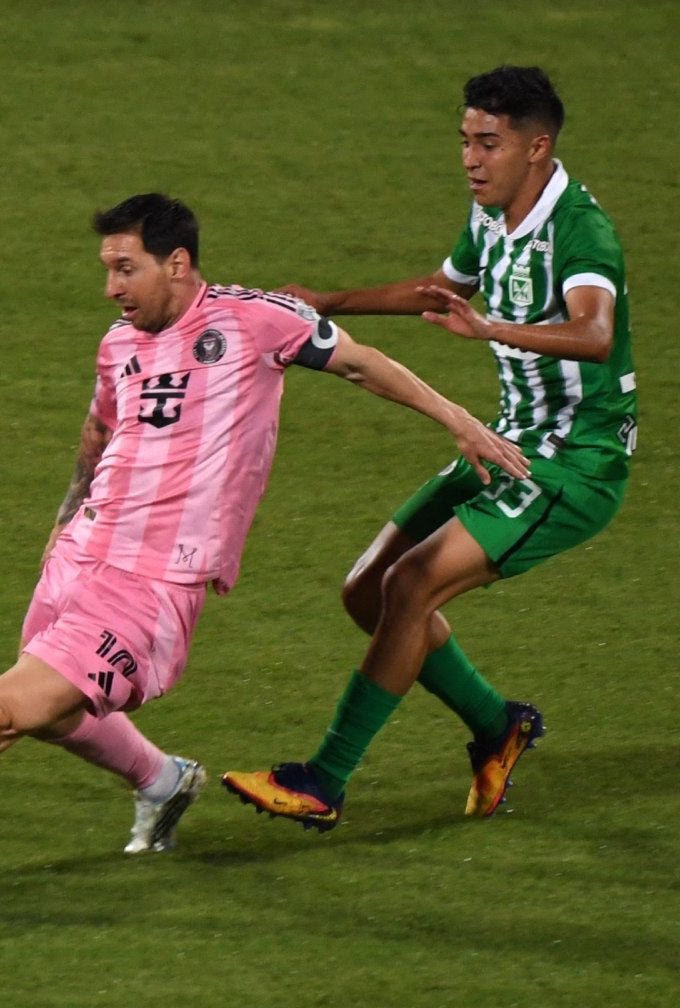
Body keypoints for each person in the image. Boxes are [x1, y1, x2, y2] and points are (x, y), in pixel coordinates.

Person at [0, 195, 529, 872]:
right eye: (107, 269)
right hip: (81, 556)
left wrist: (458, 420)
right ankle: (161, 780)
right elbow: (100, 433)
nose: (111, 287)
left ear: (177, 263)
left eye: (126, 268)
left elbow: (361, 363)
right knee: (52, 713)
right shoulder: (118, 344)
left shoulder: (254, 321)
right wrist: (61, 527)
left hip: (152, 588)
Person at [221, 66, 634, 830]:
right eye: (465, 141)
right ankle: (497, 725)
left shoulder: (580, 230)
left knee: (410, 586)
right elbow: (443, 289)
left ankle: (324, 781)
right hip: (511, 442)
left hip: (575, 463)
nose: (471, 159)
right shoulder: (492, 212)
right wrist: (328, 302)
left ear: (537, 147)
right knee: (367, 591)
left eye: (489, 143)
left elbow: (596, 334)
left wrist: (489, 329)